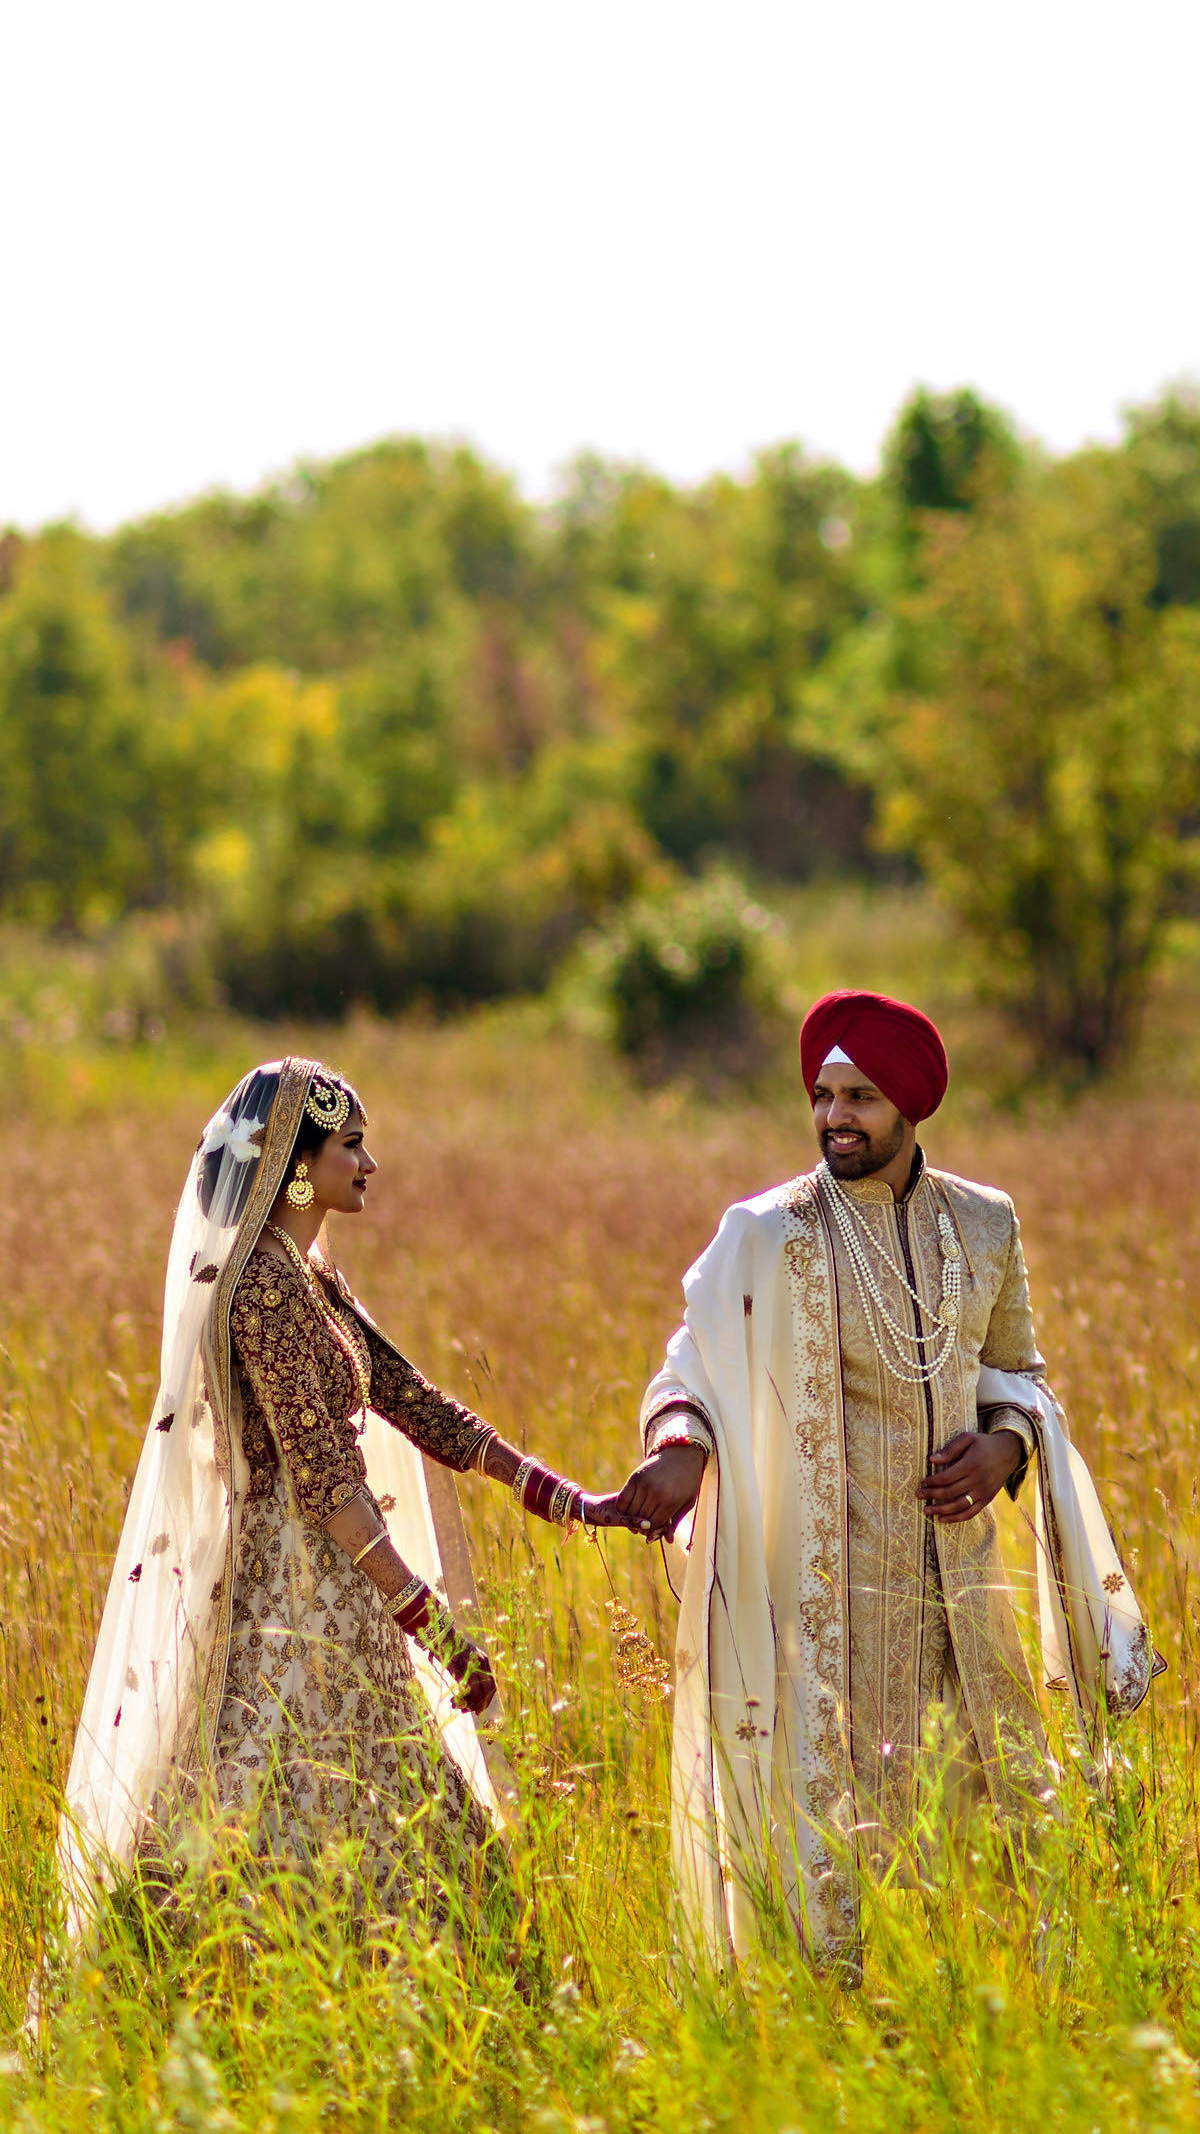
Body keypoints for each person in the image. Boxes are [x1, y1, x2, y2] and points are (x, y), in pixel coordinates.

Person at [612, 989, 1161, 1974]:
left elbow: (1020, 1374)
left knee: (1003, 1839)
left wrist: (1006, 1449)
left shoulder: (986, 1223)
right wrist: (682, 1445)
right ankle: (851, 2038)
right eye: (823, 1096)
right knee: (850, 1852)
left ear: (910, 1104)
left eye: (859, 1096)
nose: (834, 1117)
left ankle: (1000, 2030)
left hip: (965, 1592)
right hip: (833, 1607)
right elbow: (687, 1361)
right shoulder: (769, 1232)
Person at [60, 1056, 612, 1943]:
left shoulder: (306, 1271)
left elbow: (411, 1397)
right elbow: (320, 1477)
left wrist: (558, 1496)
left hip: (342, 1579)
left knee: (367, 1791)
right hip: (296, 1587)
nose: (370, 1164)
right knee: (282, 1788)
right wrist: (428, 1622)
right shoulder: (264, 1287)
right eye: (352, 1145)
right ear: (294, 1163)